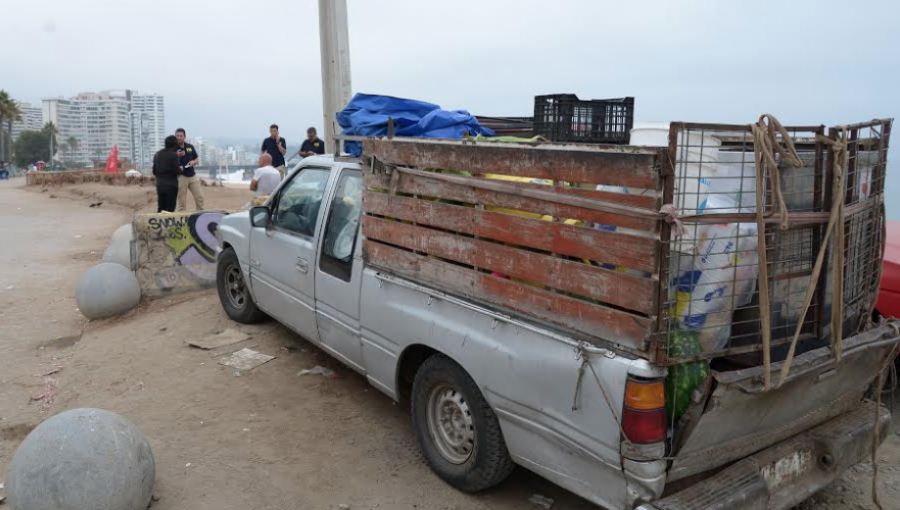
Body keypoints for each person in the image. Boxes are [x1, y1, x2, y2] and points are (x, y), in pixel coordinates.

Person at [175, 128, 205, 211]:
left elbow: (197, 159)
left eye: (181, 136)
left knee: (200, 198)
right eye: (177, 136)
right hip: (181, 177)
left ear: (184, 137)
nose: (179, 137)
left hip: (192, 176)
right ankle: (182, 222)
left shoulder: (190, 147)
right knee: (182, 202)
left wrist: (193, 162)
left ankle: (200, 217)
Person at [153, 135, 181, 212]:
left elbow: (154, 171)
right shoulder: (174, 155)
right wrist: (181, 169)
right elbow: (177, 171)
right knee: (170, 209)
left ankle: (160, 223)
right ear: (175, 145)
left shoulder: (157, 154)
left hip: (160, 185)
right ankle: (169, 224)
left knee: (161, 208)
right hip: (171, 185)